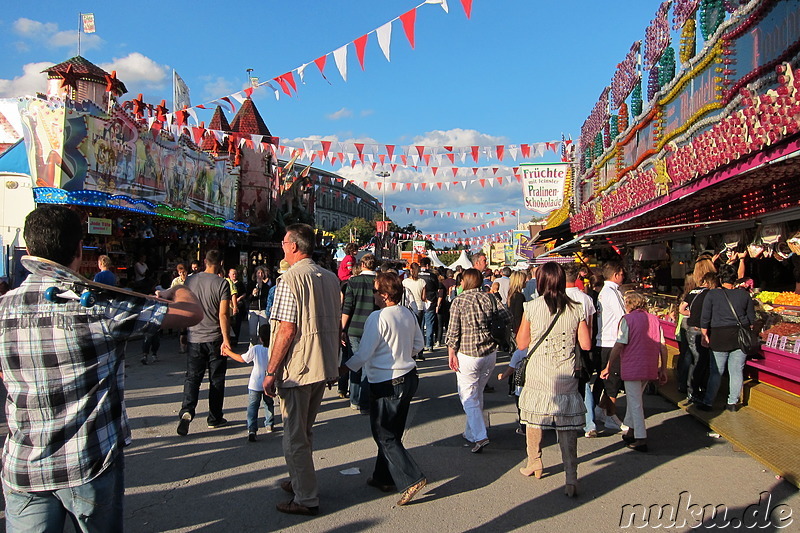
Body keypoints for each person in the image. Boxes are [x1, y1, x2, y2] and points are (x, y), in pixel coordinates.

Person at [0, 205, 202, 531]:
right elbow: (190, 312)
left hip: (25, 464)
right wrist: (175, 289)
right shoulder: (98, 306)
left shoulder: (4, 307)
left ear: (30, 247)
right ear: (80, 249)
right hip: (88, 462)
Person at [264, 223, 341, 516]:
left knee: (294, 435)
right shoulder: (330, 278)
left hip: (298, 367)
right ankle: (300, 480)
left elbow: (286, 330)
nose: (282, 246)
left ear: (295, 246)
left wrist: (271, 370)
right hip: (322, 363)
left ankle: (306, 497)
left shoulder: (290, 279)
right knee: (304, 431)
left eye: (284, 242)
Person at [345, 272, 428, 506]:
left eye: (374, 290)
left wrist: (344, 369)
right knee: (393, 432)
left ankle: (411, 477)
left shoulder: (378, 317)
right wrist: (401, 355)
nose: (373, 294)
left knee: (383, 434)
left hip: (385, 381)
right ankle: (384, 476)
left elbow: (364, 353)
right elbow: (419, 345)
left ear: (384, 294)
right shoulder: (408, 313)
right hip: (408, 376)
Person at [515, 262, 591, 497]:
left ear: (540, 282)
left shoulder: (532, 307)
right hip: (565, 373)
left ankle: (534, 461)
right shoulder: (577, 308)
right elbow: (586, 344)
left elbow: (521, 343)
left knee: (535, 419)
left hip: (539, 373)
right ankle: (571, 476)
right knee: (567, 426)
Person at [446, 268, 512, 453]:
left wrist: (451, 352)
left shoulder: (459, 301)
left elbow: (453, 332)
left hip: (467, 353)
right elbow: (508, 317)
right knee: (477, 392)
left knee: (467, 396)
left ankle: (480, 435)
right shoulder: (489, 298)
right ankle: (471, 432)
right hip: (489, 353)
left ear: (465, 281)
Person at [601, 292, 668, 452]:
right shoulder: (654, 319)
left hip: (632, 366)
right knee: (635, 400)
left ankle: (640, 437)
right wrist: (663, 368)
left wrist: (609, 365)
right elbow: (662, 345)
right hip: (649, 365)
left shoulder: (627, 320)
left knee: (635, 402)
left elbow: (619, 344)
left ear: (630, 305)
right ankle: (631, 431)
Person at [177, 249, 233, 436]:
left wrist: (183, 331)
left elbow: (184, 308)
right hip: (215, 338)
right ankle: (214, 417)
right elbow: (223, 314)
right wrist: (226, 340)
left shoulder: (190, 281)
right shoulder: (222, 284)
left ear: (204, 261)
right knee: (216, 379)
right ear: (221, 264)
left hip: (194, 337)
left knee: (192, 378)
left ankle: (187, 410)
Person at [698, 263, 755, 412]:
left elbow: (705, 318)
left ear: (721, 278)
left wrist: (704, 335)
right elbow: (751, 318)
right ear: (735, 279)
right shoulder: (744, 294)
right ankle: (732, 403)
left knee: (716, 371)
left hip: (719, 336)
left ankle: (708, 402)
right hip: (739, 336)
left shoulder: (712, 294)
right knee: (736, 371)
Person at [223, 324, 275, 442]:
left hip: (255, 383)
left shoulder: (256, 349)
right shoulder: (273, 350)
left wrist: (228, 351)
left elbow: (242, 359)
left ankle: (252, 429)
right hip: (268, 382)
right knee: (268, 403)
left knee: (252, 406)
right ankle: (269, 424)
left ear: (260, 338)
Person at [341, 253, 379, 412]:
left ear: (362, 265)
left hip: (354, 328)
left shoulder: (353, 282)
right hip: (373, 327)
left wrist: (342, 329)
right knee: (367, 363)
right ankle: (365, 401)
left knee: (355, 361)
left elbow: (347, 307)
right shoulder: (379, 282)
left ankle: (354, 398)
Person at [593, 260, 628, 432]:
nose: (623, 277)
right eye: (622, 274)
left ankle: (601, 408)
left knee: (608, 379)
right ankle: (611, 416)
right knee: (613, 380)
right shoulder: (611, 293)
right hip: (611, 341)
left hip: (605, 340)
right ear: (616, 275)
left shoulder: (605, 292)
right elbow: (622, 316)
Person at [564, 262, 597, 439]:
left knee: (562, 386)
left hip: (563, 346)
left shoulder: (558, 296)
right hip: (583, 346)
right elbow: (590, 326)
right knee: (584, 385)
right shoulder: (586, 298)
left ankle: (565, 422)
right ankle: (589, 423)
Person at [402, 263, 426, 359]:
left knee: (409, 331)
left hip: (408, 308)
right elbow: (423, 297)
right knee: (419, 330)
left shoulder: (405, 282)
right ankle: (420, 351)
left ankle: (410, 351)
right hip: (419, 307)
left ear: (411, 270)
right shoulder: (422, 282)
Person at [418, 257, 441, 353]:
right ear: (427, 265)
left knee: (420, 325)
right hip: (430, 301)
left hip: (419, 301)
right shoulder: (432, 276)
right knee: (429, 324)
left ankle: (420, 345)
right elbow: (436, 288)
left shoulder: (417, 275)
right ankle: (429, 345)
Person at [247, 266, 270, 346]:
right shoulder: (251, 284)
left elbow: (267, 298)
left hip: (262, 310)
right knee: (253, 332)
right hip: (254, 309)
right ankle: (252, 347)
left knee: (263, 331)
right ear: (255, 274)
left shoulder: (266, 286)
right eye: (258, 273)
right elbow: (248, 299)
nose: (260, 275)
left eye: (262, 273)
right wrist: (252, 294)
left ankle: (262, 347)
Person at [228, 267, 246, 344]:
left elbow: (244, 293)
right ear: (229, 275)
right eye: (233, 274)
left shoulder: (240, 283)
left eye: (235, 274)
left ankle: (235, 340)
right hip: (229, 306)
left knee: (236, 323)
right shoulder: (227, 283)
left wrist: (238, 299)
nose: (234, 275)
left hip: (238, 305)